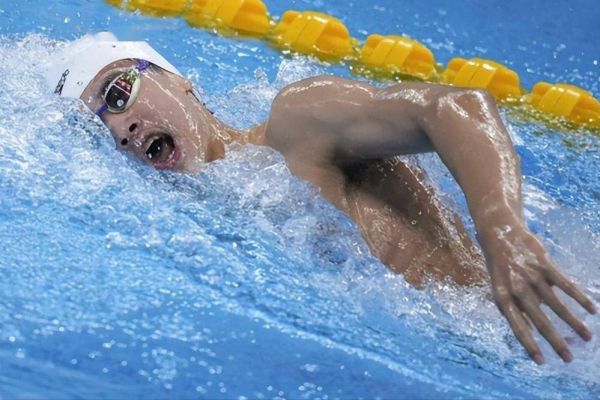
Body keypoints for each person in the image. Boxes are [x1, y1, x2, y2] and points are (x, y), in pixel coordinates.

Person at [44, 33, 596, 365]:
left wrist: (502, 230)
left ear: (178, 79)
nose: (120, 129)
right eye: (100, 129)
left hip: (545, 332)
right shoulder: (212, 218)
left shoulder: (297, 123)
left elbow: (458, 107)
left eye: (118, 93)